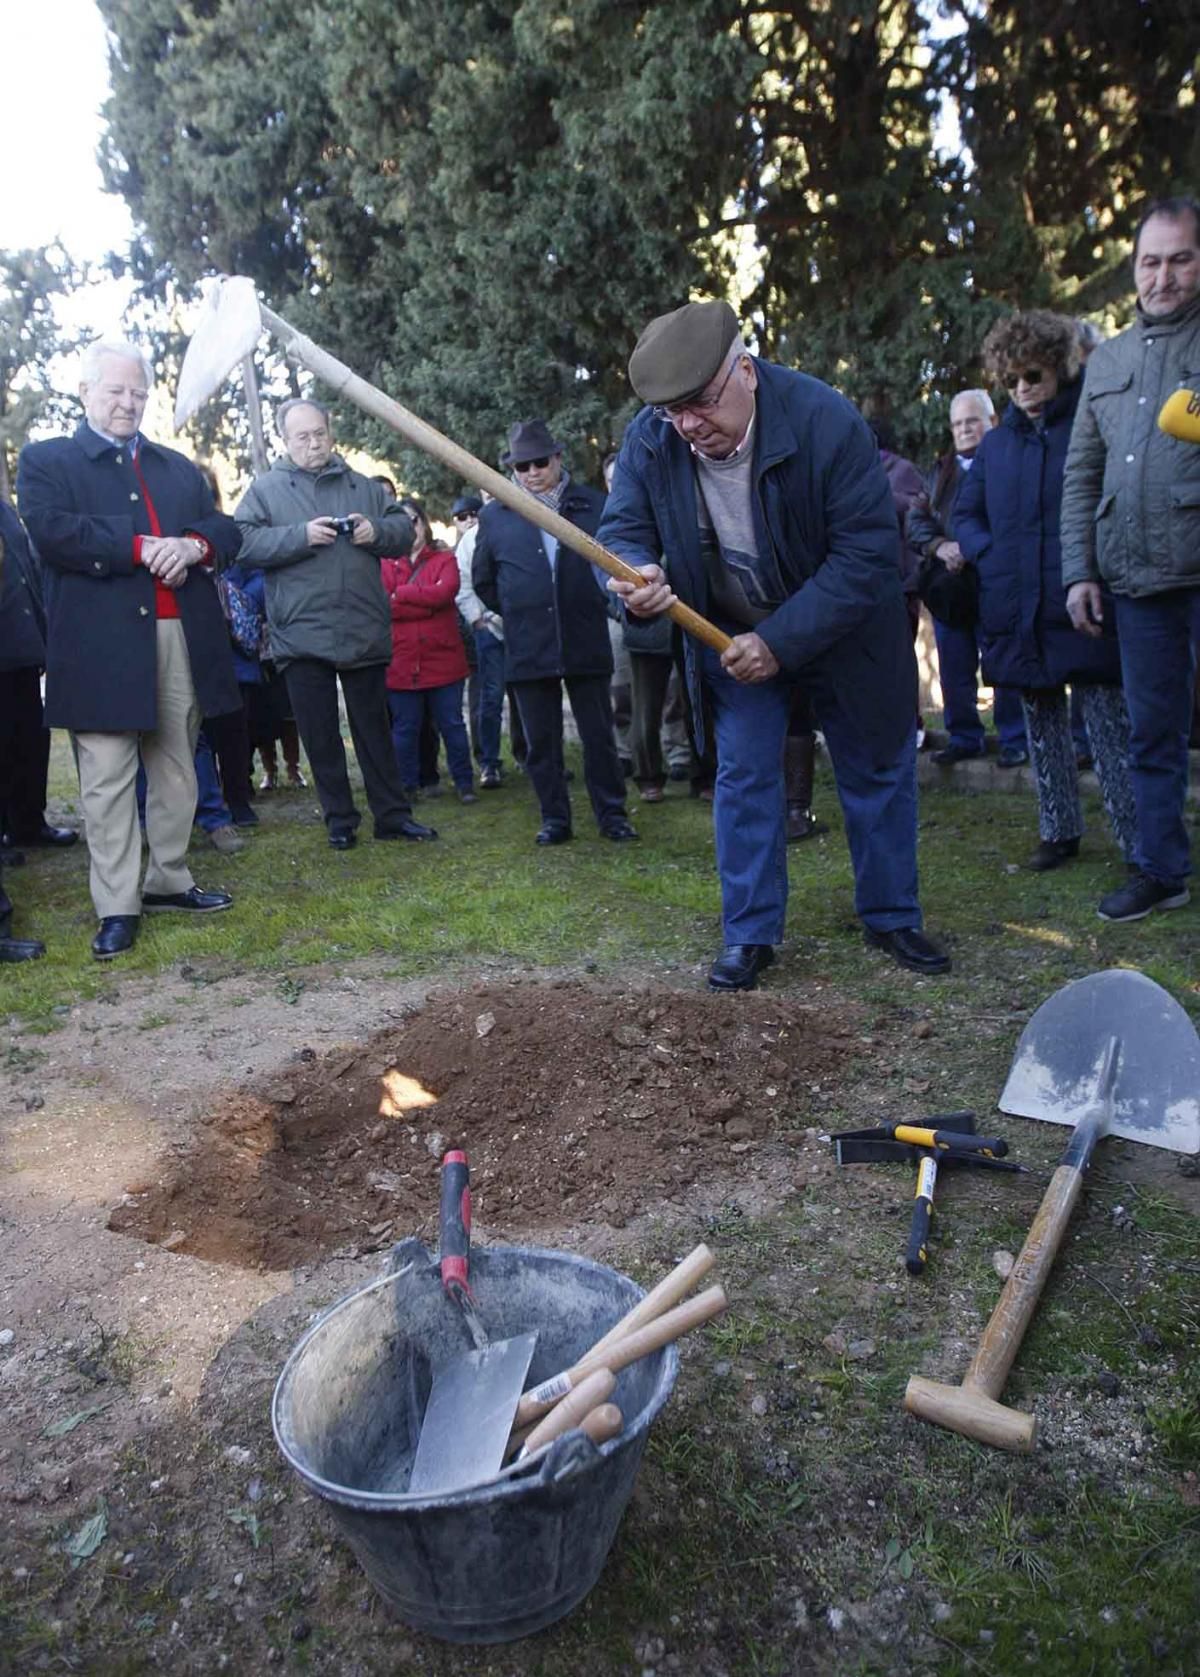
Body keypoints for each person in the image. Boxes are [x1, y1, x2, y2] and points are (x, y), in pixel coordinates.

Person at [600, 299, 947, 988]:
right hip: (726, 633)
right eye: (674, 412)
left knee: (875, 770)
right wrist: (631, 571)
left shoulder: (826, 421)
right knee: (744, 775)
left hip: (845, 630)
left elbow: (868, 556)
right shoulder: (651, 438)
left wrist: (780, 640)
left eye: (700, 402)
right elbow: (620, 529)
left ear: (747, 372)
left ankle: (891, 913)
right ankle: (750, 933)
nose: (690, 426)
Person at [17, 338, 239, 960]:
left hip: (177, 634)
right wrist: (143, 546)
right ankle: (117, 903)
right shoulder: (46, 460)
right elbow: (54, 531)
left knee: (175, 768)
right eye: (115, 390)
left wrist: (193, 546)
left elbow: (224, 527)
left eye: (138, 393)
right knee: (108, 779)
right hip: (98, 645)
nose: (128, 402)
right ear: (84, 391)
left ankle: (168, 879)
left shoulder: (176, 467)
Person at [955, 310, 1136, 873]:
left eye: (1032, 375)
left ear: (1058, 365)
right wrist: (990, 554)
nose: (1023, 389)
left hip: (1082, 598)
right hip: (1018, 605)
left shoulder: (1092, 425)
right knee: (1042, 723)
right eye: (1011, 381)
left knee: (1107, 726)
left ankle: (1138, 841)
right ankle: (1059, 832)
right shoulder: (997, 445)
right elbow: (966, 513)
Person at [1061, 196, 1200, 921]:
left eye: (1180, 258)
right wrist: (1079, 569)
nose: (1165, 276)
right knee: (1152, 731)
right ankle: (1161, 869)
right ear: (1134, 268)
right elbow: (1082, 471)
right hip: (1137, 577)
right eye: (1151, 261)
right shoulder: (1108, 359)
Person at [233, 398, 436, 849]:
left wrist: (376, 533)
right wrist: (300, 536)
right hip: (300, 632)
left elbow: (404, 531)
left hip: (361, 626)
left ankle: (393, 816)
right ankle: (340, 820)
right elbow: (241, 543)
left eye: (319, 434)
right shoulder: (265, 490)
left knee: (374, 730)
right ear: (285, 441)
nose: (313, 443)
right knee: (320, 735)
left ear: (331, 433)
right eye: (302, 437)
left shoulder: (363, 486)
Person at [473, 418, 636, 845]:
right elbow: (484, 580)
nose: (531, 473)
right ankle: (555, 820)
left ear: (558, 459)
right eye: (521, 466)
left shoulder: (592, 505)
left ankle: (613, 816)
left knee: (599, 736)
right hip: (529, 644)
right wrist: (519, 611)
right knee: (541, 743)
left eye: (539, 462)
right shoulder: (494, 517)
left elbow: (613, 565)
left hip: (584, 635)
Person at [908, 391, 1030, 767]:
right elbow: (916, 520)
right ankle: (964, 737)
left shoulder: (1010, 463)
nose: (964, 429)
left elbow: (1019, 519)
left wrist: (975, 549)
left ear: (991, 422)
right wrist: (941, 546)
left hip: (996, 584)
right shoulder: (938, 471)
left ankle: (1014, 739)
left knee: (1003, 664)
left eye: (971, 421)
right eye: (958, 423)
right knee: (954, 665)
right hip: (951, 589)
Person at [382, 498, 477, 802]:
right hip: (402, 660)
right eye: (401, 522)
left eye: (414, 520)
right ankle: (407, 786)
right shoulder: (382, 564)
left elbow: (445, 593)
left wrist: (404, 594)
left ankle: (464, 783)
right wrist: (423, 601)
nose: (409, 528)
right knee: (405, 728)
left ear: (423, 523)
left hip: (443, 658)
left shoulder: (444, 559)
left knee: (452, 724)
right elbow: (384, 605)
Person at [0, 498, 78, 860]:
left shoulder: (5, 510)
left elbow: (28, 571)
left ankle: (29, 824)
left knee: (30, 739)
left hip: (23, 644)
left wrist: (43, 638)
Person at [452, 491, 507, 787]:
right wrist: (478, 620)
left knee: (534, 696)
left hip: (526, 628)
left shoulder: (518, 526)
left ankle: (538, 756)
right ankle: (489, 763)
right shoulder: (472, 539)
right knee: (490, 699)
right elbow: (463, 583)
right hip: (488, 629)